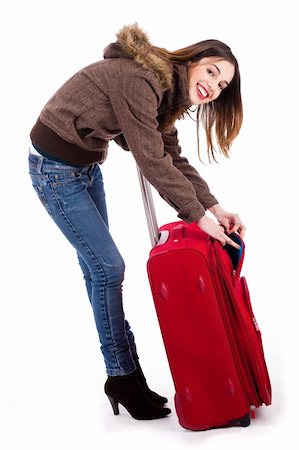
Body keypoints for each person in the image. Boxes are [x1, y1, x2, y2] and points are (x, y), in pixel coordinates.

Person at [28, 23, 246, 421]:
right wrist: (195, 217)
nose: (214, 86)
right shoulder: (141, 79)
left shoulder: (167, 93)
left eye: (223, 85)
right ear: (193, 60)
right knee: (109, 268)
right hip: (54, 169)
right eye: (212, 71)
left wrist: (214, 209)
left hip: (84, 168)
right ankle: (123, 375)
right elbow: (150, 159)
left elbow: (172, 157)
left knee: (99, 271)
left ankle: (125, 376)